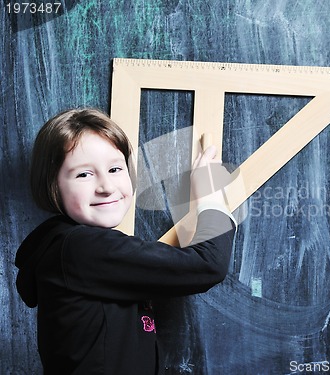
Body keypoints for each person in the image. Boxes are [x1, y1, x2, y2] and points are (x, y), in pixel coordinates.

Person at [14, 108, 236, 374]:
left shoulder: (70, 245)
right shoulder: (79, 247)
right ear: (53, 185)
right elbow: (208, 265)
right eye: (83, 174)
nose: (106, 186)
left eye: (115, 168)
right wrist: (210, 197)